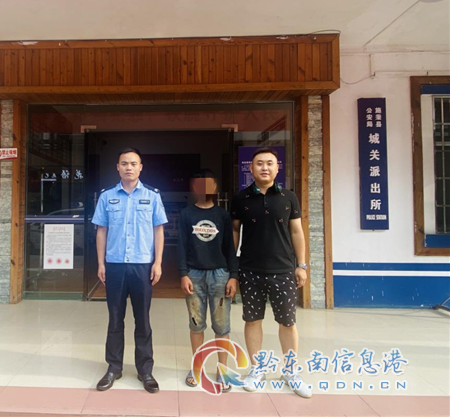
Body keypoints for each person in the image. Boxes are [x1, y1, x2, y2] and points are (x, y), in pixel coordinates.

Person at [231, 148, 312, 399]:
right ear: (251, 168)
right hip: (250, 269)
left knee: (287, 322)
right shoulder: (241, 198)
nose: (264, 168)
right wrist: (233, 267)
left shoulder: (288, 197)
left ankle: (291, 372)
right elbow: (234, 231)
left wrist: (301, 265)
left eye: (269, 163)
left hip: (283, 270)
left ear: (277, 168)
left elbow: (297, 232)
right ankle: (257, 369)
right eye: (259, 163)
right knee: (252, 320)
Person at [92, 148, 168, 394]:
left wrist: (157, 262)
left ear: (140, 167)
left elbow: (158, 230)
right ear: (117, 167)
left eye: (133, 163)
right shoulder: (106, 196)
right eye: (124, 163)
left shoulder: (152, 196)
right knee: (115, 319)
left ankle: (145, 370)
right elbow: (101, 230)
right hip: (114, 265)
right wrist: (101, 263)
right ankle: (114, 367)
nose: (128, 167)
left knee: (142, 319)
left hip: (142, 265)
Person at [178, 169, 238, 391]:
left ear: (214, 188)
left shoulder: (223, 215)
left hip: (220, 275)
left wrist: (233, 276)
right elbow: (181, 246)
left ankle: (222, 370)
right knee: (196, 324)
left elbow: (230, 247)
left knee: (222, 325)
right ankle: (197, 368)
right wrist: (183, 273)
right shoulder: (186, 214)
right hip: (193, 275)